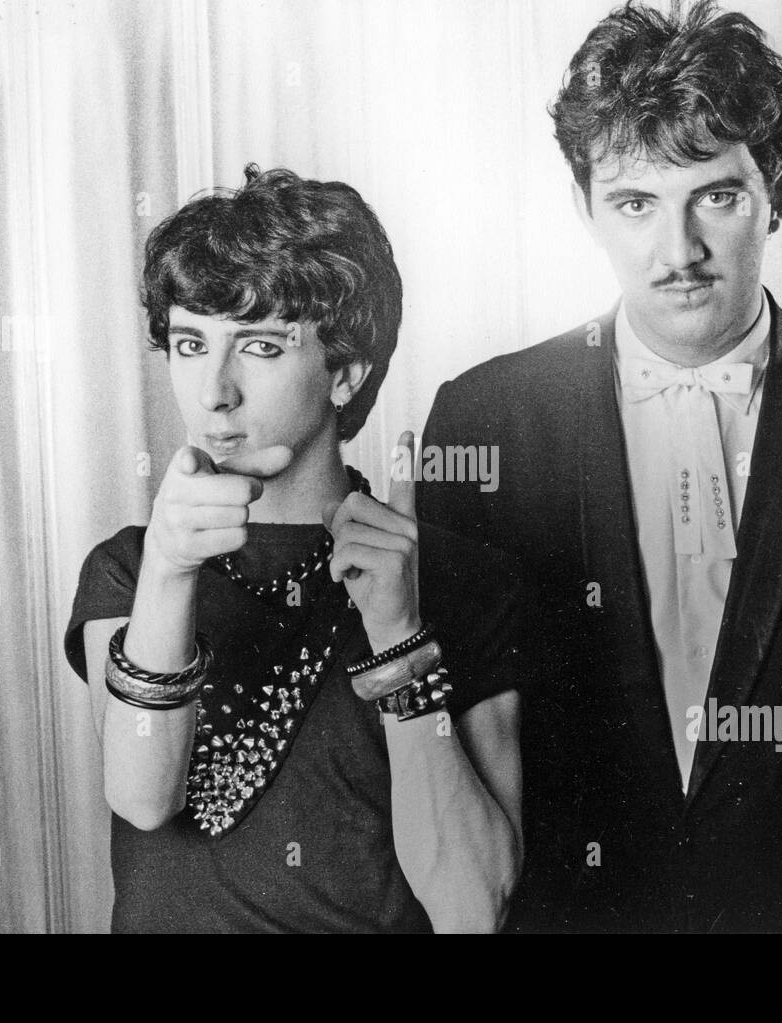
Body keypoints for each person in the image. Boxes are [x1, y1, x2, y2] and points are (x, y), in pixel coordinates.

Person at [418, 0, 782, 932]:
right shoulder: (483, 420)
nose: (679, 251)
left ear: (777, 194)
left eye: (715, 194)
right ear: (586, 207)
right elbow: (476, 703)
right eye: (637, 202)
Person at [63, 165, 525, 933]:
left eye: (260, 346)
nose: (215, 389)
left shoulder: (466, 580)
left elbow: (474, 906)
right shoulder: (128, 569)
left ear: (344, 371)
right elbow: (145, 798)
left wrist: (399, 637)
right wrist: (171, 572)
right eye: (189, 342)